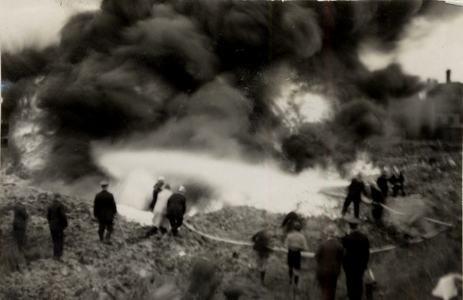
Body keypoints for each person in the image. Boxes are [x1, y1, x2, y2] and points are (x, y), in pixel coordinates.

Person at [342, 217, 370, 300]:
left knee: (350, 284)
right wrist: (365, 265)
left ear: (349, 226)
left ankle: (351, 298)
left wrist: (344, 265)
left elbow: (343, 253)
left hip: (349, 266)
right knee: (359, 283)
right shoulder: (364, 238)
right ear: (358, 226)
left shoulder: (346, 238)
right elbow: (367, 253)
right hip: (360, 266)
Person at [315, 224, 344, 300]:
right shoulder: (340, 246)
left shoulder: (322, 244)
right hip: (334, 272)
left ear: (327, 233)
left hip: (322, 271)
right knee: (332, 292)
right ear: (335, 234)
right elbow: (342, 258)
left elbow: (317, 257)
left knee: (323, 291)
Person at [284, 222, 307, 286]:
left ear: (293, 228)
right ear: (300, 229)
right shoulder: (302, 237)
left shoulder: (289, 235)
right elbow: (305, 248)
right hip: (297, 253)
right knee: (296, 269)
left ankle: (290, 280)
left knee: (290, 267)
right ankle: (296, 284)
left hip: (290, 252)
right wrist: (299, 247)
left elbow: (286, 246)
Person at [47, 194, 68, 261]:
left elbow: (48, 217)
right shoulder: (60, 206)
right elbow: (63, 216)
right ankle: (59, 256)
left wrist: (51, 223)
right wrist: (65, 224)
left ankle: (55, 255)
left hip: (52, 226)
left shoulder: (50, 206)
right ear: (58, 198)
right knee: (60, 241)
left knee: (54, 240)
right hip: (59, 226)